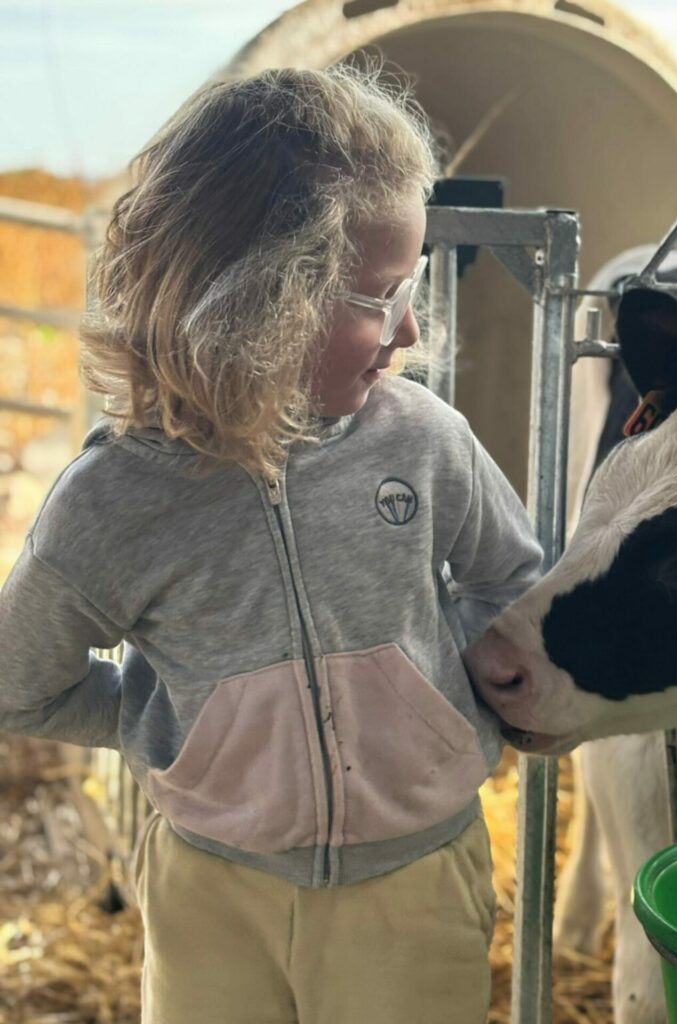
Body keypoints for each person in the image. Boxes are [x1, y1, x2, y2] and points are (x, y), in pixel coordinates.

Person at [0, 63, 542, 1024]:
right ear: (256, 301)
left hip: (416, 878)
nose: (411, 329)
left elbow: (510, 578)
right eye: (381, 296)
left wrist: (449, 711)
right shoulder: (115, 503)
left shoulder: (423, 439)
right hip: (212, 891)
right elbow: (22, 680)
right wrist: (175, 731)